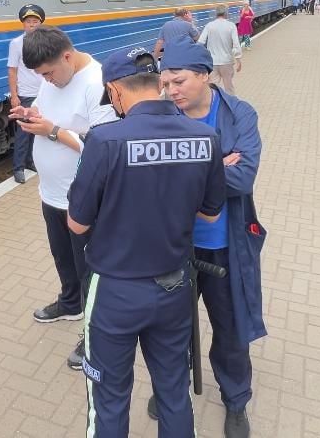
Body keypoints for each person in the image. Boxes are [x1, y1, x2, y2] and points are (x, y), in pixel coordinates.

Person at [66, 46, 227, 438]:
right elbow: (210, 213)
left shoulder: (104, 142)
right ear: (158, 83)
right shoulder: (205, 137)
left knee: (108, 398)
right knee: (174, 393)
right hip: (174, 286)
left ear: (115, 91)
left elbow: (75, 223)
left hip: (115, 291)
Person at [155, 38, 267, 438]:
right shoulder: (163, 115)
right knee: (171, 327)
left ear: (204, 76)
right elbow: (152, 181)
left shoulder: (239, 115)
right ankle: (173, 388)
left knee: (231, 328)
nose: (172, 91)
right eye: (166, 84)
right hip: (173, 245)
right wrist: (215, 164)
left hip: (224, 244)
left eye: (180, 81)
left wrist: (185, 170)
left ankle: (236, 400)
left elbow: (243, 178)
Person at [10, 25, 117, 369]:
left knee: (90, 271)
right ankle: (70, 304)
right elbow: (46, 111)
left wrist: (53, 132)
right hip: (52, 194)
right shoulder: (51, 76)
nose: (47, 79)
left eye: (49, 72)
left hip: (83, 200)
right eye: (41, 75)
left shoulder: (97, 83)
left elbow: (104, 151)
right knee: (64, 259)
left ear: (67, 57)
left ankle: (94, 334)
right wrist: (31, 116)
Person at [7, 4, 46, 183]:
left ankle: (31, 161)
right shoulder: (16, 43)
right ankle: (18, 168)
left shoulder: (45, 42)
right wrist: (14, 95)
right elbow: (12, 70)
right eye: (29, 21)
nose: (32, 24)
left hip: (44, 93)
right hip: (26, 94)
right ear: (23, 24)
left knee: (37, 131)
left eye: (35, 21)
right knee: (23, 133)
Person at [198, 6, 243, 94]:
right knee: (229, 88)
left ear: (216, 14)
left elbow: (200, 42)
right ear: (226, 13)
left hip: (212, 62)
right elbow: (236, 44)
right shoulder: (231, 26)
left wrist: (201, 58)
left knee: (213, 89)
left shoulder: (209, 25)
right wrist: (238, 60)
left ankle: (214, 106)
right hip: (227, 62)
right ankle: (230, 105)